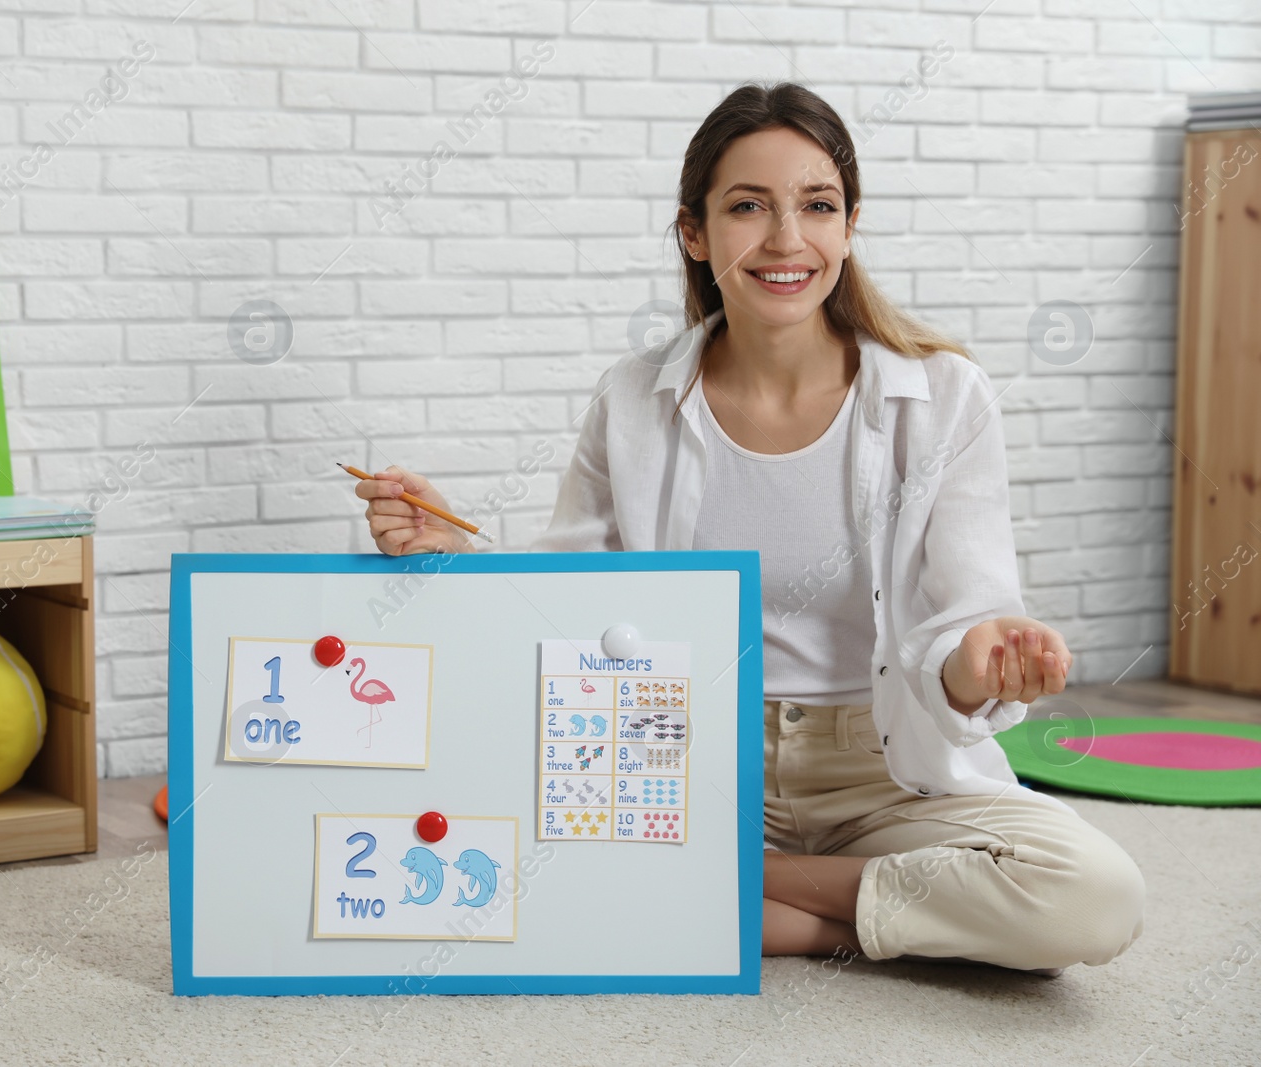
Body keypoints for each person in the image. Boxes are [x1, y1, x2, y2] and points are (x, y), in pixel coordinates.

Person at [354, 82, 1145, 975]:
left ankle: (753, 891)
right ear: (695, 232)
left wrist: (979, 662)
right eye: (748, 208)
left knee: (1095, 894)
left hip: (881, 768)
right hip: (694, 764)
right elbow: (571, 596)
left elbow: (967, 626)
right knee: (500, 867)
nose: (786, 240)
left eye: (817, 206)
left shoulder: (946, 397)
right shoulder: (633, 399)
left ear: (849, 227)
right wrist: (448, 546)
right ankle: (844, 911)